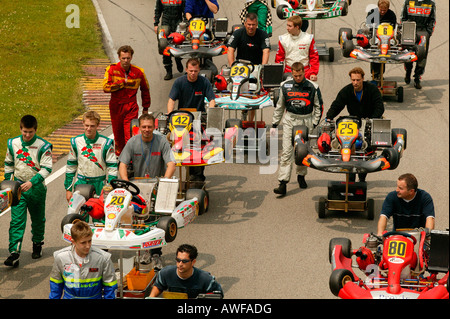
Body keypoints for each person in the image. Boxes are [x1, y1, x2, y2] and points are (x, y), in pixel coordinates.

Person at [118, 113, 176, 268]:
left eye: (150, 127)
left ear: (154, 127)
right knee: (141, 220)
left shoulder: (162, 141)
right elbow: (122, 164)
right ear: (139, 128)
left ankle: (156, 254)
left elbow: (171, 163)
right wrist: (125, 183)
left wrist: (164, 181)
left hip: (157, 185)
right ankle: (145, 251)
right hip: (138, 187)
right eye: (144, 127)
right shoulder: (132, 142)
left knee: (157, 221)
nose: (147, 130)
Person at [3, 115, 52, 267]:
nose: (27, 135)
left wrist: (32, 182)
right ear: (20, 129)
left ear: (35, 130)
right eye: (25, 131)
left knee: (38, 219)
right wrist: (8, 182)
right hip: (17, 188)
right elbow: (9, 164)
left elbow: (47, 168)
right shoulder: (12, 143)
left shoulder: (44, 146)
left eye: (30, 132)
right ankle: (14, 253)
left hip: (36, 188)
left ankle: (37, 244)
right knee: (17, 221)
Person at [270, 62, 323, 196]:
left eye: (300, 75)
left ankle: (301, 176)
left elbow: (319, 106)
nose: (298, 78)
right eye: (295, 75)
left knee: (301, 152)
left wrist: (314, 123)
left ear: (304, 72)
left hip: (306, 121)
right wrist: (275, 124)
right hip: (290, 120)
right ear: (292, 73)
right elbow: (280, 106)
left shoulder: (313, 87)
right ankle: (282, 183)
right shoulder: (285, 86)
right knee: (287, 152)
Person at [325, 67, 384, 182]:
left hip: (369, 121)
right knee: (349, 146)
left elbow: (380, 106)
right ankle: (350, 176)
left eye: (358, 80)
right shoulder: (346, 91)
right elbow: (337, 104)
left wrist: (372, 119)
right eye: (353, 80)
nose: (355, 83)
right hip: (354, 122)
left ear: (363, 78)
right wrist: (329, 117)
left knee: (366, 149)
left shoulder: (372, 89)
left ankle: (362, 176)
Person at [167, 58, 216, 182]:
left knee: (198, 147)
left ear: (199, 70)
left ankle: (197, 176)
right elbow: (171, 100)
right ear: (186, 70)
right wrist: (169, 115)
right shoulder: (179, 82)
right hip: (180, 119)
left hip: (197, 120)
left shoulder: (204, 82)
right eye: (190, 71)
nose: (193, 73)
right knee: (173, 144)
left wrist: (211, 114)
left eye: (195, 71)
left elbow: (212, 100)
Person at [49, 220, 118, 299]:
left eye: (89, 241)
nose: (88, 246)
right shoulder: (61, 257)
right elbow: (55, 286)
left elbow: (110, 286)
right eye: (83, 243)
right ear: (73, 242)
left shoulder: (103, 258)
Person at [103, 45, 151, 156]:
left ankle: (130, 158)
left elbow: (145, 90)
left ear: (131, 57)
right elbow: (105, 87)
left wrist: (145, 108)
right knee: (118, 135)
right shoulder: (111, 69)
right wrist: (121, 84)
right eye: (123, 58)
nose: (126, 61)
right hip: (116, 106)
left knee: (129, 134)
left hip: (131, 106)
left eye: (128, 58)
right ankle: (120, 157)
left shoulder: (139, 72)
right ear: (119, 57)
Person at [64, 111, 118, 206]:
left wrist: (109, 187)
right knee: (78, 217)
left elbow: (113, 168)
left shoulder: (106, 143)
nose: (89, 129)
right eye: (86, 125)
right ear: (83, 124)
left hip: (100, 184)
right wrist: (68, 189)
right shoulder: (75, 141)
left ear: (98, 125)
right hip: (81, 183)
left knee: (99, 217)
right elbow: (71, 167)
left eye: (92, 126)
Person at [227, 12, 270, 121]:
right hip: (240, 67)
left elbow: (266, 51)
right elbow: (230, 50)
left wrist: (263, 68)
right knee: (239, 91)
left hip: (255, 68)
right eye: (249, 24)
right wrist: (232, 66)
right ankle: (243, 111)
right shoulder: (237, 33)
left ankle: (250, 121)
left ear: (257, 25)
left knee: (252, 93)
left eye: (253, 25)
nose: (251, 27)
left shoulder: (263, 34)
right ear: (245, 23)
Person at [149, 244, 223, 298]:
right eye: (178, 260)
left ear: (193, 262)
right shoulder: (165, 273)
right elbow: (159, 286)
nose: (180, 264)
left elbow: (218, 295)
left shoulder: (205, 279)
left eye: (184, 261)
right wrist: (151, 297)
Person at [401, 0, 436, 89]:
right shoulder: (408, 1)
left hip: (423, 31)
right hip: (410, 30)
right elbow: (403, 17)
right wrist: (405, 29)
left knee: (422, 55)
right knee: (408, 53)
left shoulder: (431, 3)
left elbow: (433, 20)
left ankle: (417, 78)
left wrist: (428, 32)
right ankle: (408, 72)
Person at [275, 15, 319, 81]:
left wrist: (313, 73)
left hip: (305, 73)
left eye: (290, 26)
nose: (287, 28)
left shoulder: (308, 38)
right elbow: (279, 59)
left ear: (297, 27)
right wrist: (278, 74)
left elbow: (314, 57)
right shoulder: (283, 39)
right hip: (289, 73)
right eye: (287, 25)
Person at [154, 0, 185, 80]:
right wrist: (156, 24)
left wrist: (185, 24)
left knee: (179, 44)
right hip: (165, 23)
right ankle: (168, 71)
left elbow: (185, 10)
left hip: (178, 22)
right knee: (164, 46)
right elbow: (157, 10)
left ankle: (178, 59)